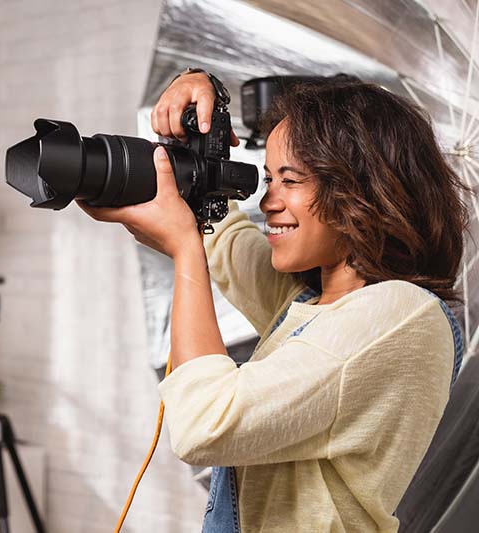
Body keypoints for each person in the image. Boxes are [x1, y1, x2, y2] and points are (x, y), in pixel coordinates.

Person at [79, 71, 468, 532]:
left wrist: (184, 247)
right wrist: (199, 109)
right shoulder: (315, 301)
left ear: (361, 187)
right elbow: (218, 237)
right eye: (268, 178)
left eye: (291, 180)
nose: (267, 201)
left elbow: (205, 423)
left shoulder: (398, 314)